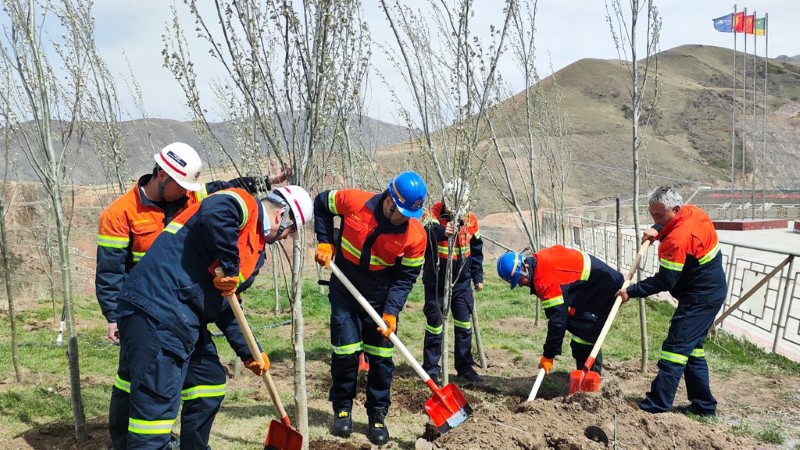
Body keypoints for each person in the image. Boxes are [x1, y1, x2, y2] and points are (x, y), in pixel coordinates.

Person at [97, 142, 287, 448]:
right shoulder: (120, 214)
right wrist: (112, 315)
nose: (188, 193)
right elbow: (109, 270)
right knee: (142, 391)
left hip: (183, 309)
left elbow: (226, 191)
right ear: (162, 176)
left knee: (205, 381)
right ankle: (128, 441)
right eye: (181, 186)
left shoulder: (193, 197)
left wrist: (248, 350)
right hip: (148, 306)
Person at [313, 171, 427, 446]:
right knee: (345, 353)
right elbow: (320, 202)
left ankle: (377, 414)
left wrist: (391, 312)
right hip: (345, 288)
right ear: (389, 197)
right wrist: (325, 240)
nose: (401, 218)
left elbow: (405, 278)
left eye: (407, 214)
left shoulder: (416, 236)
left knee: (381, 359)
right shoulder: (354, 202)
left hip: (379, 297)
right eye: (398, 210)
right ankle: (342, 409)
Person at [617, 187, 726, 417]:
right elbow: (670, 224)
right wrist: (657, 228)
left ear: (675, 209)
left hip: (700, 298)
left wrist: (631, 291)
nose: (655, 220)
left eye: (659, 216)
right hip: (709, 291)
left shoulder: (676, 240)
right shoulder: (692, 212)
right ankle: (704, 407)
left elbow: (664, 280)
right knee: (692, 350)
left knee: (674, 350)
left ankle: (655, 405)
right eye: (652, 215)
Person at [496, 245, 624, 378]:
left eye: (519, 280)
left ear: (525, 267)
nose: (520, 285)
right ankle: (584, 376)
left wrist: (548, 355)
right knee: (578, 329)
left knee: (584, 334)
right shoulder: (539, 258)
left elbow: (557, 322)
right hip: (590, 287)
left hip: (606, 288)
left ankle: (591, 380)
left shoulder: (544, 280)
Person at [421, 178, 484, 384]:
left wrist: (478, 276)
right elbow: (425, 232)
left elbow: (476, 250)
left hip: (462, 283)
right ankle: (431, 369)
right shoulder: (432, 214)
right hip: (437, 283)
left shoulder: (471, 219)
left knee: (464, 326)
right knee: (435, 325)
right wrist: (443, 231)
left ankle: (465, 367)